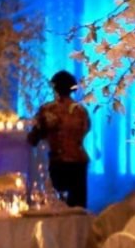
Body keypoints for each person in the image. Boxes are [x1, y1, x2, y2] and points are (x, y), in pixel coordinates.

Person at [27, 70, 90, 208]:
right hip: (79, 162)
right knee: (77, 209)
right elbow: (85, 130)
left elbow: (34, 138)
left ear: (53, 87)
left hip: (58, 163)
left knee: (57, 207)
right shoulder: (81, 110)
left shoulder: (48, 110)